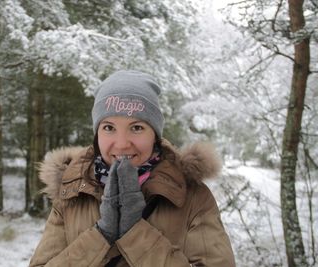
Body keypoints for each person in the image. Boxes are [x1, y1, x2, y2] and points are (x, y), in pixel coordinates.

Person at [29, 70, 236, 267]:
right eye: (109, 128)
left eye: (136, 128)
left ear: (154, 135)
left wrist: (135, 233)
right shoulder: (72, 190)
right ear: (97, 134)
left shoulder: (191, 197)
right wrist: (101, 235)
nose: (121, 144)